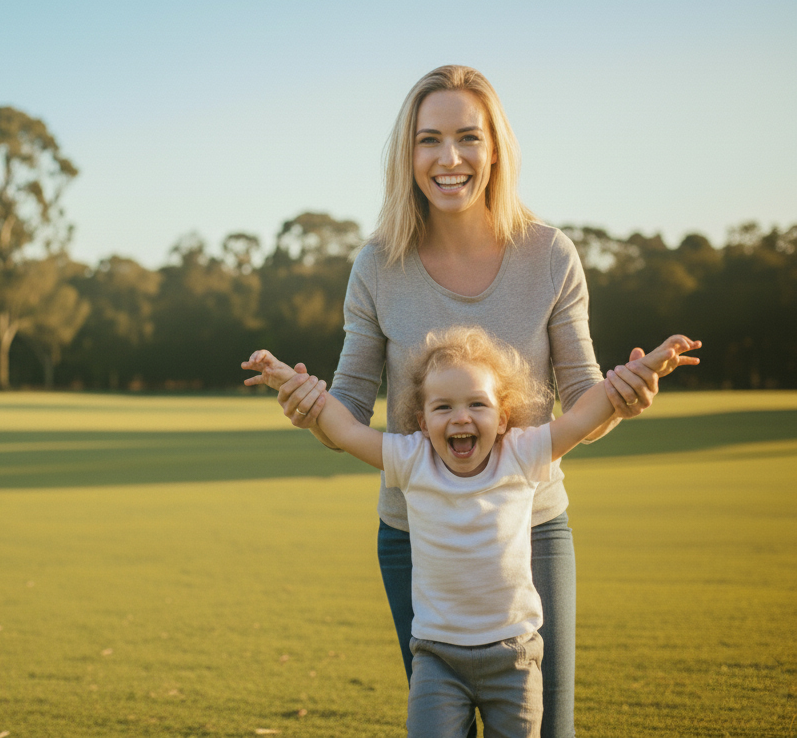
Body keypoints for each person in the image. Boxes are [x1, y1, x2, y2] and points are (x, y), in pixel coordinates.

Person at [266, 65, 665, 737]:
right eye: (429, 140)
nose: (449, 158)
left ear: (495, 149)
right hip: (415, 540)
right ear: (408, 154)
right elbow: (350, 406)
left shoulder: (549, 255)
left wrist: (622, 397)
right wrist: (313, 409)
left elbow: (582, 402)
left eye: (467, 138)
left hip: (532, 532)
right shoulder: (376, 266)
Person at [243, 329, 700, 737]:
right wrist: (292, 383)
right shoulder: (412, 459)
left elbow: (582, 418)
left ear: (502, 418)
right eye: (443, 407)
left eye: (477, 404)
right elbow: (343, 429)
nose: (460, 418)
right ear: (423, 423)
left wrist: (642, 369)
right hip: (437, 660)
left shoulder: (522, 454)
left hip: (515, 659)